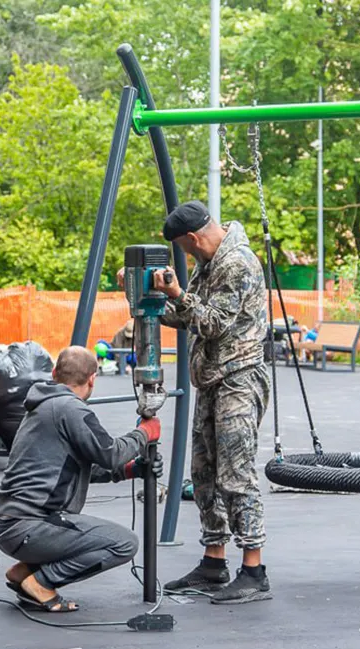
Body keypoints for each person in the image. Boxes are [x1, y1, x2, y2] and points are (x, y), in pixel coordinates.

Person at [117, 200, 271, 604]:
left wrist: (178, 292)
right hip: (213, 380)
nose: (187, 256)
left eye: (185, 249)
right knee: (204, 474)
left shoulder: (237, 262)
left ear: (193, 238)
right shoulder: (211, 262)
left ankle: (253, 569)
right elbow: (189, 316)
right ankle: (214, 561)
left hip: (239, 379)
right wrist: (144, 294)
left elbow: (214, 323)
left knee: (236, 475)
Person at [0, 346, 163, 612]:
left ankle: (24, 572)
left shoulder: (42, 406)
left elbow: (76, 468)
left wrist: (129, 470)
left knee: (81, 530)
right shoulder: (69, 408)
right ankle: (41, 582)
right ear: (92, 379)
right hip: (29, 526)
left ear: (54, 373)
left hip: (12, 525)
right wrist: (144, 433)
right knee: (123, 543)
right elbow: (109, 453)